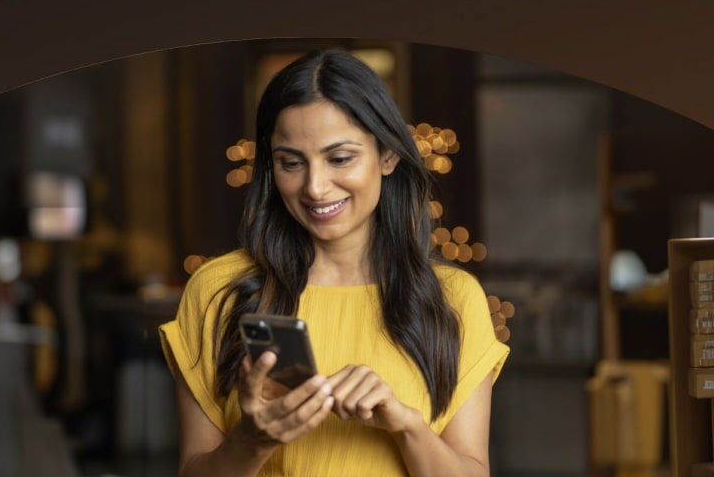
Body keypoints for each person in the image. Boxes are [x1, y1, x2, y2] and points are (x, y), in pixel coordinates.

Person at [159, 49, 508, 476]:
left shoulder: (452, 298)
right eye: (291, 163)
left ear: (388, 155)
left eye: (340, 158)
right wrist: (253, 439)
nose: (316, 187)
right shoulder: (219, 290)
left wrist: (406, 427)